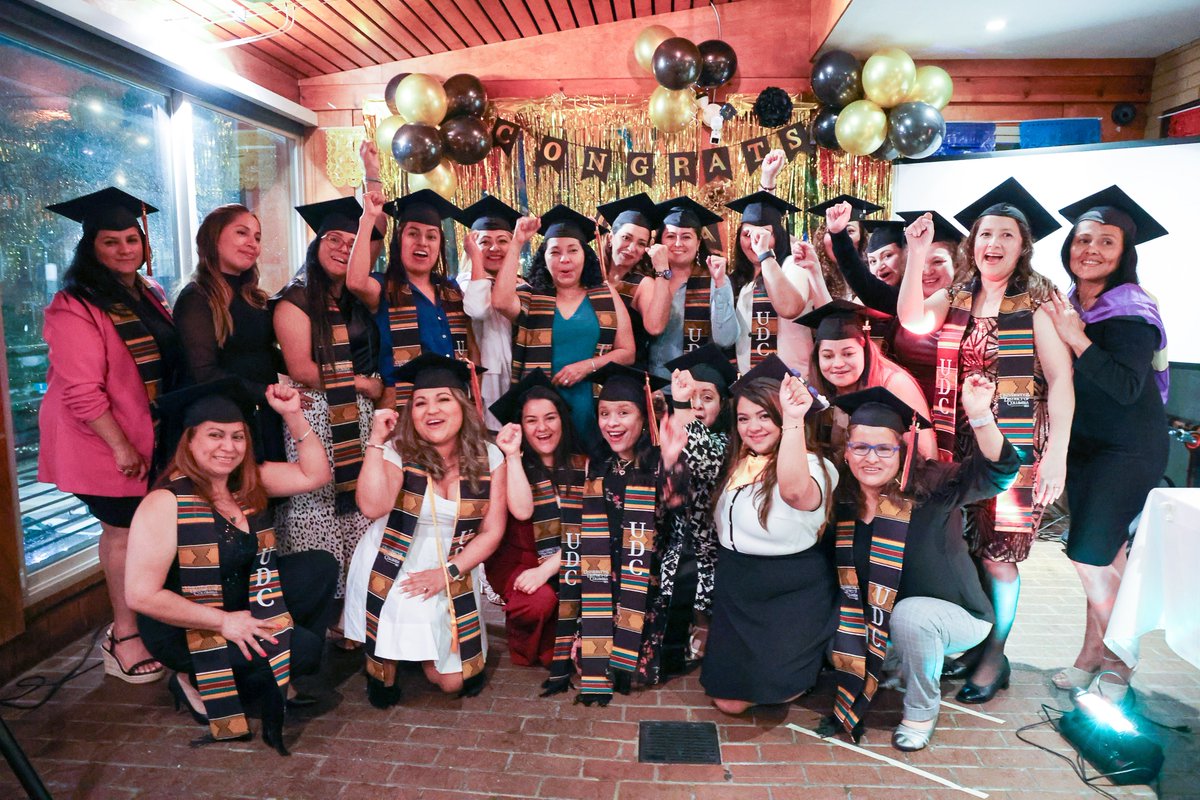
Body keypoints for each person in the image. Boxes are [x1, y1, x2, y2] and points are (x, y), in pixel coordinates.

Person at [897, 177, 1075, 702]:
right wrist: (914, 254)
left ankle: (995, 657)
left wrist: (1057, 453)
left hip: (1014, 447)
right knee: (968, 548)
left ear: (1022, 247)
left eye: (1005, 236)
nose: (992, 244)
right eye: (984, 235)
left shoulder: (1037, 301)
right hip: (959, 441)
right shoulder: (957, 294)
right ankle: (976, 644)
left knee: (1000, 555)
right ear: (972, 243)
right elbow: (911, 318)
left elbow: (1061, 380)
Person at [126, 380, 336, 755]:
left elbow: (315, 475)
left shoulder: (246, 481)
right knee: (304, 652)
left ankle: (255, 668)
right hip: (186, 626)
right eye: (215, 435)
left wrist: (292, 414)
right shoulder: (165, 502)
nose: (228, 447)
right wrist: (224, 622)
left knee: (319, 567)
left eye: (238, 437)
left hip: (240, 599)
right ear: (189, 440)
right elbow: (140, 595)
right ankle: (191, 678)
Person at [826, 381, 1019, 750]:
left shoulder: (934, 486)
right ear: (846, 453)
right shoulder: (843, 500)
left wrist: (980, 416)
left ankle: (920, 711)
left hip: (957, 617)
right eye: (860, 447)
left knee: (913, 616)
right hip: (884, 619)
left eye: (884, 448)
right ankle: (892, 661)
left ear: (902, 450)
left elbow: (1000, 472)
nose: (871, 458)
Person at [40, 187, 183, 685]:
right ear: (90, 248)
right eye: (110, 242)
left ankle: (147, 621)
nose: (124, 249)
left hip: (150, 435)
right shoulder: (73, 305)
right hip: (104, 443)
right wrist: (121, 445)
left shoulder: (148, 293)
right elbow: (81, 390)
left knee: (145, 531)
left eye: (131, 239)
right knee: (122, 532)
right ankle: (123, 637)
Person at [1042, 186, 1170, 703]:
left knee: (1089, 557)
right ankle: (1091, 658)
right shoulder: (1071, 304)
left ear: (1124, 254)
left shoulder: (1131, 311)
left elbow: (1125, 387)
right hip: (1088, 448)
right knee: (1108, 561)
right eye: (1082, 238)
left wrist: (1077, 338)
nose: (1090, 249)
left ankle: (1121, 663)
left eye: (1106, 242)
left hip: (1128, 449)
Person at [343, 354, 508, 706]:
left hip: (452, 566)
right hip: (392, 563)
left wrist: (447, 573)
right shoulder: (397, 451)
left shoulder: (490, 458)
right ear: (409, 413)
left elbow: (492, 532)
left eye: (443, 399)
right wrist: (375, 440)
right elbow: (372, 507)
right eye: (420, 402)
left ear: (463, 405)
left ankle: (415, 648)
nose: (431, 410)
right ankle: (389, 653)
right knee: (386, 677)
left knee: (453, 682)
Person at [544, 364, 688, 705]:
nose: (612, 423)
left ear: (644, 418)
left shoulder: (657, 462)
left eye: (624, 413)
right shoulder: (596, 466)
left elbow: (677, 502)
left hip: (646, 584)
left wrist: (671, 460)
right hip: (601, 583)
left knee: (634, 674)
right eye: (605, 413)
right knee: (585, 663)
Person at [703, 355, 837, 714]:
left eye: (765, 416)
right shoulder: (737, 462)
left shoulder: (815, 465)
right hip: (738, 589)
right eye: (744, 418)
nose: (753, 427)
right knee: (728, 701)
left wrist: (794, 419)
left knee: (774, 691)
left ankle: (808, 660)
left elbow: (794, 492)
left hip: (789, 592)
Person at [272, 197, 384, 607]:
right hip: (316, 415)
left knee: (358, 503)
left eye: (351, 242)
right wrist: (362, 385)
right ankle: (326, 601)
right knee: (318, 501)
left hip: (358, 416)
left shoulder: (355, 296)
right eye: (332, 239)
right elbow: (301, 369)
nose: (341, 248)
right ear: (315, 244)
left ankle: (356, 602)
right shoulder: (294, 299)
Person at [491, 206, 636, 450]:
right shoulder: (532, 297)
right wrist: (517, 242)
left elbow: (627, 351)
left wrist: (586, 367)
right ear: (544, 258)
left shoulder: (605, 294)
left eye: (572, 251)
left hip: (591, 405)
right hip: (542, 412)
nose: (564, 259)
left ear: (585, 255)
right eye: (555, 252)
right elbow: (500, 302)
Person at [487, 370, 588, 669]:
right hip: (522, 562)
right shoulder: (511, 467)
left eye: (550, 417)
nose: (542, 428)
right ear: (520, 427)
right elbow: (522, 511)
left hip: (571, 559)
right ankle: (528, 640)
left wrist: (551, 568)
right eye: (531, 420)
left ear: (563, 420)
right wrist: (513, 455)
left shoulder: (584, 466)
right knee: (538, 603)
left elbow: (593, 528)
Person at [174, 204, 284, 461]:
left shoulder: (254, 297)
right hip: (224, 419)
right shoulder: (197, 297)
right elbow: (205, 373)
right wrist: (266, 394)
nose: (252, 243)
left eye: (257, 237)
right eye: (241, 233)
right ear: (214, 238)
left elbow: (263, 351)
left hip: (263, 412)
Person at [823, 204, 963, 407]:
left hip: (958, 413)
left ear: (957, 264)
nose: (927, 270)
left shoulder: (970, 306)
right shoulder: (901, 302)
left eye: (938, 262)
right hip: (907, 407)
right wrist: (838, 234)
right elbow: (863, 282)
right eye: (921, 260)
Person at [347, 189, 479, 403]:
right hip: (400, 405)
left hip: (454, 402)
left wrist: (474, 403)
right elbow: (355, 281)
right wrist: (368, 219)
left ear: (439, 245)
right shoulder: (385, 288)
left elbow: (472, 351)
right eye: (413, 234)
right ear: (399, 240)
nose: (423, 243)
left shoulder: (452, 292)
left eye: (431, 236)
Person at [653, 344, 737, 676]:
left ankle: (703, 624)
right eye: (692, 396)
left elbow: (701, 460)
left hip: (713, 554)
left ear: (723, 403)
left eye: (707, 397)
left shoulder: (728, 444)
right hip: (677, 547)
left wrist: (682, 407)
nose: (698, 405)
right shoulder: (665, 433)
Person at [796, 301, 937, 460]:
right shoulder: (818, 389)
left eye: (848, 354)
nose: (838, 364)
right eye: (828, 356)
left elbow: (926, 456)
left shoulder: (894, 384)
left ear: (865, 350)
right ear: (817, 358)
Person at [724, 191, 815, 376]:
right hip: (751, 385)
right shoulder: (738, 280)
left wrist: (765, 254)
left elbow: (790, 308)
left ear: (780, 236)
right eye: (747, 234)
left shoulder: (793, 265)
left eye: (765, 234)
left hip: (794, 381)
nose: (754, 242)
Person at [647, 196, 737, 378]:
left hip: (702, 386)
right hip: (660, 384)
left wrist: (720, 285)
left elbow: (726, 339)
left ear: (698, 243)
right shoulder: (648, 279)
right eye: (670, 236)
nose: (678, 243)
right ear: (660, 242)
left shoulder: (715, 278)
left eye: (686, 237)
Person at [456, 194, 523, 430]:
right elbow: (477, 309)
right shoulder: (463, 283)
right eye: (485, 242)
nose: (494, 248)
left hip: (518, 377)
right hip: (483, 382)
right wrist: (475, 258)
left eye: (503, 240)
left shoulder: (526, 286)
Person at [595, 193, 672, 365]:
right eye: (626, 238)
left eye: (641, 243)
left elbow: (655, 327)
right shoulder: (588, 275)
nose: (632, 248)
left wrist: (662, 269)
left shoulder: (642, 284)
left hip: (624, 373)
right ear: (610, 238)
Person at [805, 195, 883, 305]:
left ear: (862, 238)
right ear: (822, 236)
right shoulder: (808, 273)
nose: (841, 239)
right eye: (831, 231)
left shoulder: (874, 276)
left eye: (850, 231)